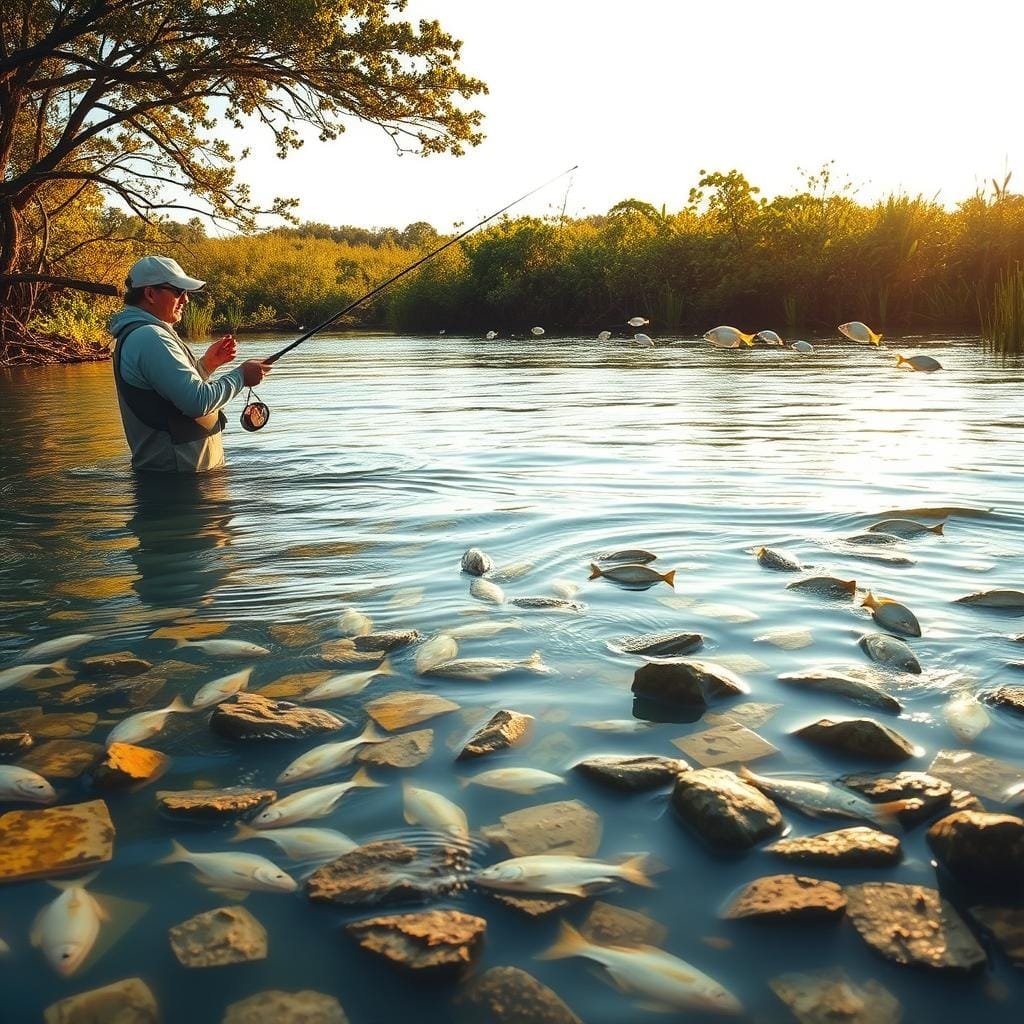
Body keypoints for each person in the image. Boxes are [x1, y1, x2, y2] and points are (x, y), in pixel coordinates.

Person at [108, 255, 271, 472]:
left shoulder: (148, 333)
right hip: (178, 487)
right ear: (150, 293)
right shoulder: (150, 337)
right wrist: (242, 375)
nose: (186, 299)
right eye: (178, 291)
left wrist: (206, 366)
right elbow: (197, 402)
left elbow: (172, 395)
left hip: (185, 482)